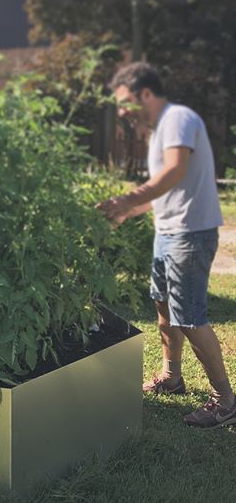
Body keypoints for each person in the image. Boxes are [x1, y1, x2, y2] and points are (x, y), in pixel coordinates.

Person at [97, 61, 235, 428]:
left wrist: (128, 198)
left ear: (145, 93)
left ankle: (225, 400)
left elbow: (174, 171)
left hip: (191, 234)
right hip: (169, 232)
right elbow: (166, 186)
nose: (122, 111)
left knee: (188, 316)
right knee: (163, 304)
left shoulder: (178, 119)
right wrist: (128, 211)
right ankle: (172, 378)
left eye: (125, 102)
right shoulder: (158, 132)